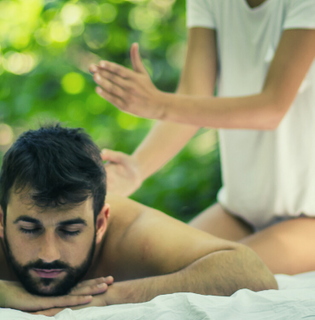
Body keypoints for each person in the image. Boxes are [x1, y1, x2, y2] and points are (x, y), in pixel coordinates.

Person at [0, 124, 277, 315]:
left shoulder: (129, 231)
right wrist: (0, 292)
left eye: (71, 229)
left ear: (100, 221)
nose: (48, 253)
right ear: (1, 219)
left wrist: (105, 298)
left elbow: (250, 271)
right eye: (29, 228)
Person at [89, 0, 315, 275]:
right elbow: (193, 99)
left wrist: (157, 103)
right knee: (147, 270)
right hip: (240, 210)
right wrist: (136, 169)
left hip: (309, 219)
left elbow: (272, 108)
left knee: (201, 278)